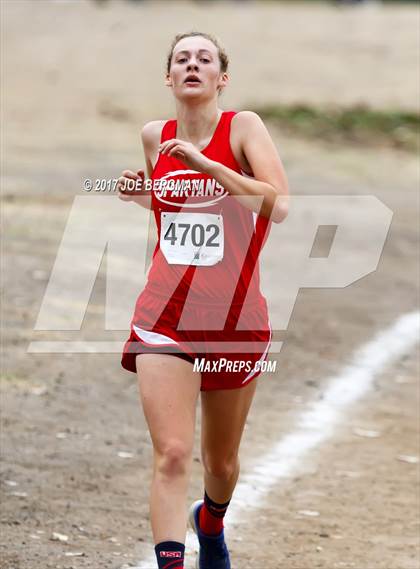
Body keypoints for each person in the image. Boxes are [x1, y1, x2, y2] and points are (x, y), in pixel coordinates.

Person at [117, 31, 289, 569]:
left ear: (222, 78)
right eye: (181, 59)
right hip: (164, 314)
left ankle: (210, 523)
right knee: (170, 453)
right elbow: (177, 209)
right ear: (169, 77)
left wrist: (206, 162)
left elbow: (277, 205)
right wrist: (140, 194)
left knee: (221, 461)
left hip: (235, 318)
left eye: (204, 59)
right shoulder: (154, 135)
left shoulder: (243, 128)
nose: (193, 65)